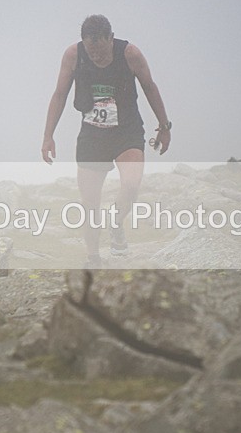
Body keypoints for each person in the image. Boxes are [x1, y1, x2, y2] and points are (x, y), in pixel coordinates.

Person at [41, 15, 171, 268]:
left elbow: (149, 87)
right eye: (91, 51)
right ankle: (93, 258)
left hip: (127, 132)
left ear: (111, 39)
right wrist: (48, 136)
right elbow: (59, 95)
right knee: (90, 205)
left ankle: (116, 222)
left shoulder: (130, 54)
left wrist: (164, 126)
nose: (97, 57)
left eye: (101, 50)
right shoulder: (73, 55)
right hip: (93, 136)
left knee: (131, 186)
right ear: (83, 44)